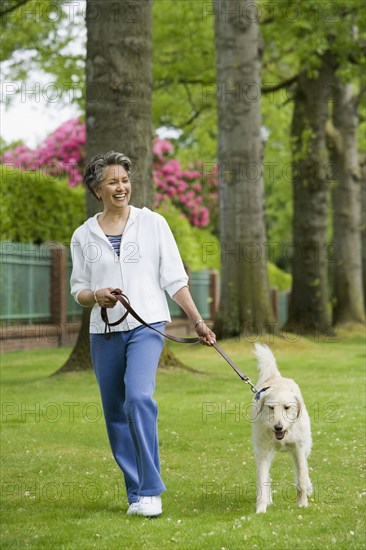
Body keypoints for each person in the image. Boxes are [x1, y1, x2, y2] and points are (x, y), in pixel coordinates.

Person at [70, 151, 216, 517]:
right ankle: (136, 494)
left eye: (124, 180)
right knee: (115, 413)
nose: (121, 187)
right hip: (104, 332)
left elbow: (174, 279)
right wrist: (96, 295)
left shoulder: (153, 224)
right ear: (96, 189)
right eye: (112, 182)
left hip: (147, 324)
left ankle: (152, 490)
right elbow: (79, 289)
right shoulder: (82, 235)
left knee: (137, 399)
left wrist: (198, 321)